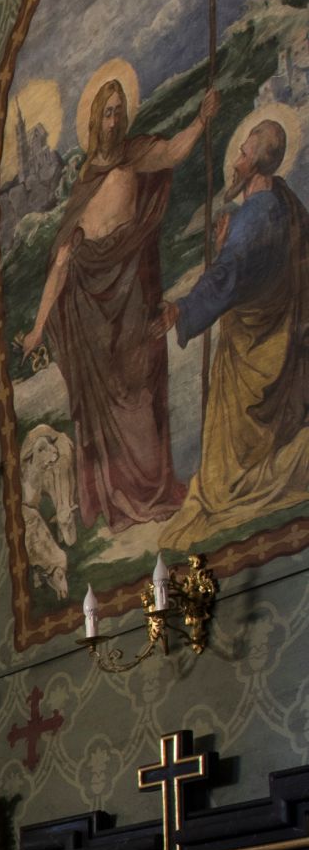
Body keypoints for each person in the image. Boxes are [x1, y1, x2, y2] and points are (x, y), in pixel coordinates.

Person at [21, 63, 220, 538]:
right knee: (107, 402)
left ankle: (152, 490)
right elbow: (63, 260)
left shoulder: (134, 156)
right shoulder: (85, 180)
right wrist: (37, 328)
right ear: (95, 121)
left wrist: (201, 119)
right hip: (90, 304)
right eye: (106, 114)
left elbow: (172, 152)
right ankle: (121, 499)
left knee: (140, 389)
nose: (113, 121)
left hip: (131, 290)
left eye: (118, 112)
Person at [165, 116, 309, 540]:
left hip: (256, 348)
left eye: (243, 155)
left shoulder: (256, 215)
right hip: (277, 338)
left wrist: (183, 309)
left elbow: (229, 277)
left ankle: (244, 486)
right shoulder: (283, 200)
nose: (235, 161)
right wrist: (223, 247)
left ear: (257, 165)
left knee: (230, 477)